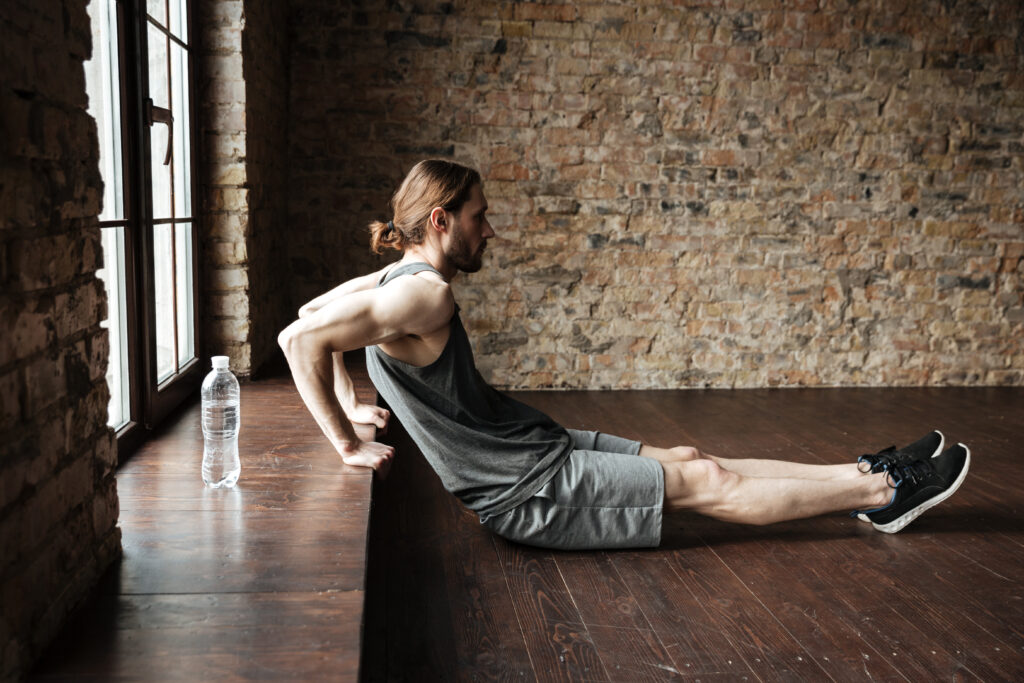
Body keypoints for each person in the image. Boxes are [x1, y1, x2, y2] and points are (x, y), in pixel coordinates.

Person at [277, 159, 970, 550]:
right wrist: (345, 440)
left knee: (695, 459)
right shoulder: (423, 294)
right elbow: (300, 339)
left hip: (532, 447)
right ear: (440, 220)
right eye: (480, 215)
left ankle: (863, 470)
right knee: (712, 487)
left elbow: (311, 320)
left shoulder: (392, 279)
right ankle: (885, 493)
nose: (491, 229)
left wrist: (349, 401)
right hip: (527, 493)